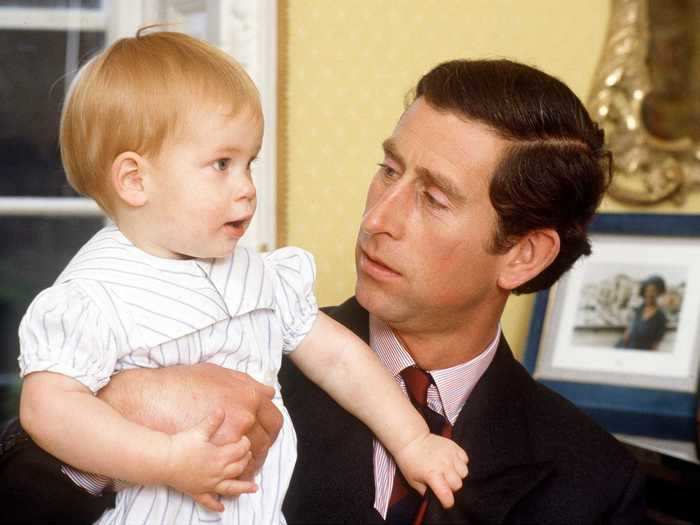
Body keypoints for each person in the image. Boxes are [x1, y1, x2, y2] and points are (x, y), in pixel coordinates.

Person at [0, 58, 645, 524]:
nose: (376, 219)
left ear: (524, 254)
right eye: (387, 170)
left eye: (433, 198)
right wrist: (132, 404)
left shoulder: (596, 481)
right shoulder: (247, 342)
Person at [7, 30, 469, 525]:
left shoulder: (258, 275)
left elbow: (338, 357)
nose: (247, 189)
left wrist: (412, 439)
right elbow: (48, 411)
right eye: (221, 165)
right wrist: (164, 459)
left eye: (249, 163)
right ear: (135, 180)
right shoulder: (96, 295)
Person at [616, 275, 668, 350]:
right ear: (643, 292)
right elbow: (627, 334)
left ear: (659, 293)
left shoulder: (661, 317)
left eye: (653, 291)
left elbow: (655, 345)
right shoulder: (639, 310)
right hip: (625, 348)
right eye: (647, 291)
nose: (649, 294)